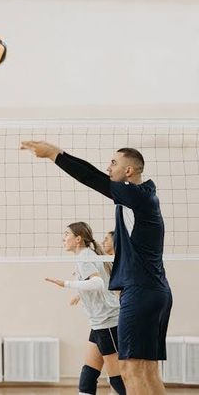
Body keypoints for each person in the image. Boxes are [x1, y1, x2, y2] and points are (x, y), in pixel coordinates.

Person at [21, 142, 172, 394]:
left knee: (130, 371)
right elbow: (98, 175)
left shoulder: (134, 196)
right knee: (148, 371)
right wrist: (59, 152)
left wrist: (54, 155)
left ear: (129, 171)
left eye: (114, 163)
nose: (108, 167)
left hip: (140, 292)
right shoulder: (144, 196)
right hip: (157, 292)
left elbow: (91, 178)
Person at [45, 222, 125, 394]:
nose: (63, 238)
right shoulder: (87, 254)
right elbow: (98, 284)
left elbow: (97, 282)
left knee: (116, 379)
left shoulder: (84, 257)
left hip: (107, 322)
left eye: (67, 234)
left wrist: (65, 284)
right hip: (99, 322)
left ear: (78, 239)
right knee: (88, 373)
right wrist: (80, 294)